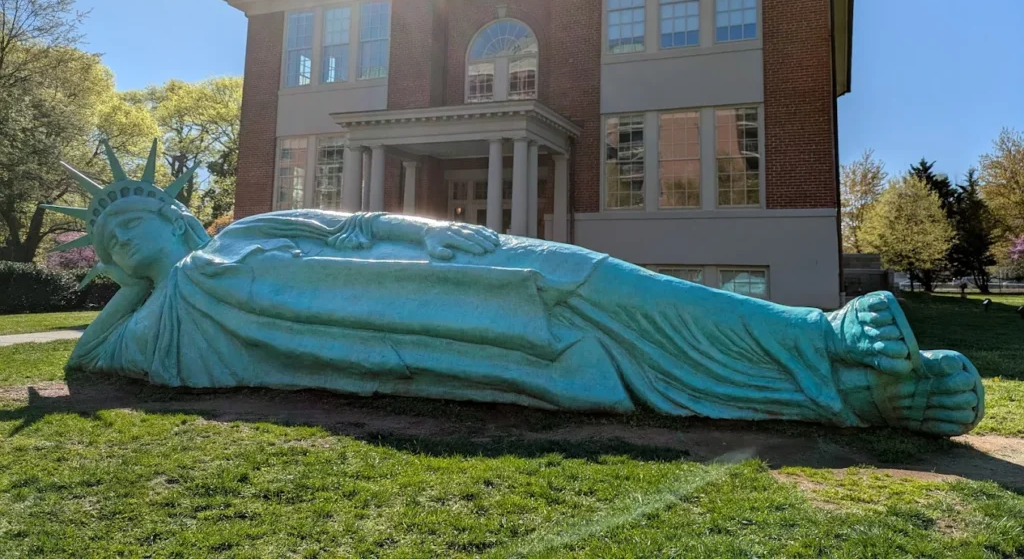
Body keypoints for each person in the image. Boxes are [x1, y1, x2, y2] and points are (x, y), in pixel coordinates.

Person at [47, 142, 984, 436]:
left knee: (618, 287)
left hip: (461, 276)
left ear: (180, 217)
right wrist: (131, 281)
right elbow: (89, 359)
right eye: (114, 247)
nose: (128, 250)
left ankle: (819, 336)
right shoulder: (161, 324)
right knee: (639, 375)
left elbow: (360, 225)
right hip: (457, 348)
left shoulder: (249, 231)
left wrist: (437, 229)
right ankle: (858, 398)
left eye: (137, 228)